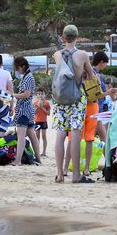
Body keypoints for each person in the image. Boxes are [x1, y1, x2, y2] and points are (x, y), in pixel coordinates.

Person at [52, 24, 94, 184]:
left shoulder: (57, 54)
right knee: (75, 133)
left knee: (61, 133)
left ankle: (59, 174)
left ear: (63, 37)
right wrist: (81, 73)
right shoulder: (82, 55)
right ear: (77, 37)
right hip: (77, 97)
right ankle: (76, 174)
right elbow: (90, 76)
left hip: (60, 97)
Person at [12, 56, 41, 167]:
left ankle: (18, 160)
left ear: (23, 66)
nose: (18, 70)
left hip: (24, 109)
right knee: (31, 135)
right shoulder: (28, 76)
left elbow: (26, 94)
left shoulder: (28, 77)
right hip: (28, 109)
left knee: (21, 135)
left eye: (18, 68)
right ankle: (38, 159)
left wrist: (13, 95)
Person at [33, 89, 51, 157]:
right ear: (37, 95)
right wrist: (37, 107)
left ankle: (44, 152)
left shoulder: (47, 103)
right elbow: (34, 113)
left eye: (42, 94)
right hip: (37, 121)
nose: (40, 95)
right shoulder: (35, 103)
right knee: (37, 137)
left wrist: (42, 107)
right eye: (39, 94)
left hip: (44, 121)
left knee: (44, 136)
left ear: (45, 95)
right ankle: (37, 152)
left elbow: (48, 113)